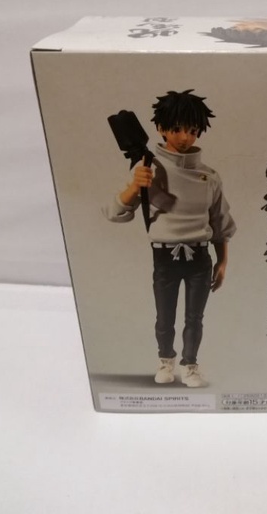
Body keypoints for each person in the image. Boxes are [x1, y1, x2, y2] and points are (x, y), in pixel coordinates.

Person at [104, 89, 236, 388]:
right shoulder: (147, 168)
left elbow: (219, 222)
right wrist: (134, 187)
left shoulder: (210, 176)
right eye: (176, 129)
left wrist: (223, 261)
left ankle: (191, 365)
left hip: (200, 257)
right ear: (161, 128)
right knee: (164, 317)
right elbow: (114, 213)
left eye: (192, 130)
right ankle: (166, 360)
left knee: (194, 318)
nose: (185, 137)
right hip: (164, 256)